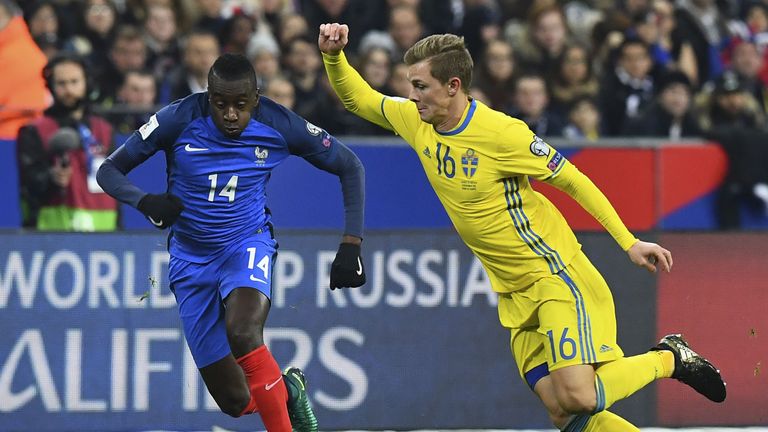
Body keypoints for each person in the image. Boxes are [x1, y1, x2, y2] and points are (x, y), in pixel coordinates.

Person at [319, 23, 726, 431]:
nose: (411, 95)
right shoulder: (416, 120)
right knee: (564, 414)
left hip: (555, 278)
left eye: (421, 86)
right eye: (411, 85)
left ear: (452, 86)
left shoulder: (503, 134)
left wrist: (628, 242)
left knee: (580, 395)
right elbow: (359, 99)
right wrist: (334, 55)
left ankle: (670, 358)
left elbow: (573, 179)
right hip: (513, 293)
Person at [96, 53, 366, 432]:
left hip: (246, 243)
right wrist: (146, 202)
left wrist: (351, 243)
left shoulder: (280, 124)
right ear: (208, 97)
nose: (230, 115)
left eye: (240, 105)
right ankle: (290, 390)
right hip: (190, 260)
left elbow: (349, 164)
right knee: (236, 402)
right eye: (220, 104)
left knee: (243, 332)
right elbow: (108, 170)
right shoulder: (178, 119)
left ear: (256, 98)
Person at [16, 53, 117, 231]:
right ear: (51, 86)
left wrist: (120, 232)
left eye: (74, 82)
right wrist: (51, 178)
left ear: (87, 83)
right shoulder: (33, 131)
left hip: (104, 236)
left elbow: (116, 186)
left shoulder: (105, 130)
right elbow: (29, 188)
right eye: (61, 83)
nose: (68, 90)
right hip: (51, 237)